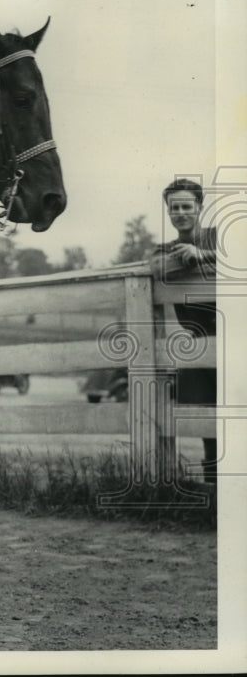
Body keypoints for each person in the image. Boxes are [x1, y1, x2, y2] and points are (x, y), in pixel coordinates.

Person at [148, 178, 218, 482]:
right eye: (174, 207)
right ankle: (215, 482)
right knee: (207, 414)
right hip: (200, 341)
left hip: (237, 338)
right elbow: (154, 267)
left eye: (186, 206)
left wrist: (202, 255)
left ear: (199, 208)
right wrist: (183, 257)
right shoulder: (167, 249)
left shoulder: (221, 237)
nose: (180, 213)